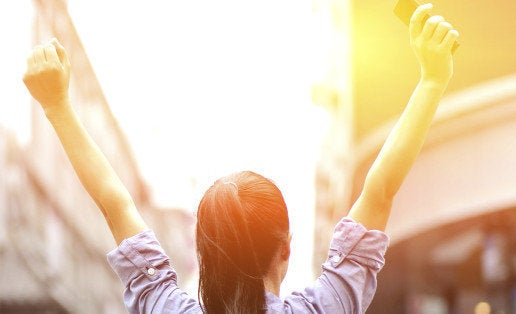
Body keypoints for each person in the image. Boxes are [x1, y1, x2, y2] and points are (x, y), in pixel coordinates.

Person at [22, 3, 458, 313]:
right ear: (285, 248)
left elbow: (114, 203)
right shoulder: (327, 307)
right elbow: (379, 191)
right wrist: (432, 80)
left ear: (201, 254)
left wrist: (56, 106)